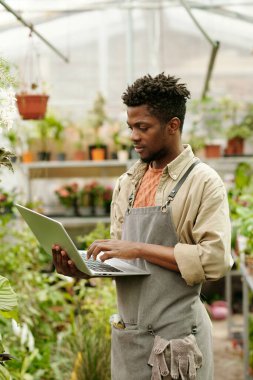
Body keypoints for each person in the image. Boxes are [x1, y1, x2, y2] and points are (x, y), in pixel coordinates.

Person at [52, 73, 232, 380]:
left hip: (177, 345)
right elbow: (124, 262)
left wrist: (138, 248)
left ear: (173, 125)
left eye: (143, 127)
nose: (134, 136)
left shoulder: (203, 183)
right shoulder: (127, 184)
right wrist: (83, 270)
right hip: (131, 340)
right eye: (131, 127)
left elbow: (214, 260)